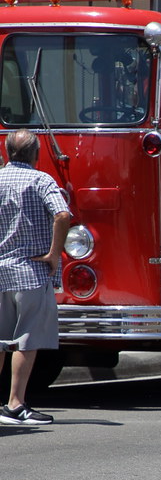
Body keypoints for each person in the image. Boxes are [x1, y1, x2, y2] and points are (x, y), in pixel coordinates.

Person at [0, 129, 71, 425]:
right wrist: (55, 254)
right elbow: (63, 215)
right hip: (30, 272)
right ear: (36, 154)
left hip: (1, 269)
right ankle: (15, 404)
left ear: (7, 152)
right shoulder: (41, 180)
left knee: (1, 341)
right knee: (25, 340)